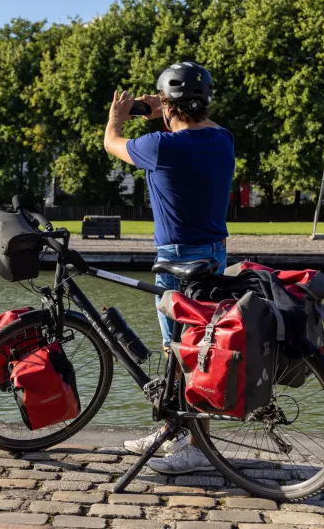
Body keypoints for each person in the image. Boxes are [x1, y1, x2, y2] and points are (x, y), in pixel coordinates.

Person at [103, 62, 235, 475]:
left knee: (186, 352)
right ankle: (174, 431)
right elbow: (200, 121)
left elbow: (111, 142)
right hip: (213, 254)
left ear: (168, 105)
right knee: (188, 349)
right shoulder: (222, 139)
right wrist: (167, 106)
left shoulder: (159, 146)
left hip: (177, 259)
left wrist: (119, 116)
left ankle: (198, 447)